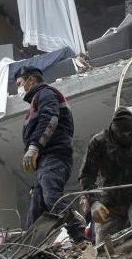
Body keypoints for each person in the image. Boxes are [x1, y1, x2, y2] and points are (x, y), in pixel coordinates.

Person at [15, 66, 82, 241]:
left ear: (31, 80)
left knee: (53, 197)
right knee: (37, 209)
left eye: (19, 83)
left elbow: (50, 118)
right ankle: (29, 247)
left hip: (54, 156)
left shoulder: (45, 94)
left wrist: (34, 146)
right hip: (46, 161)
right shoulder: (37, 100)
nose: (19, 89)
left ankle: (79, 232)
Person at [79, 108, 132, 242]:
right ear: (113, 129)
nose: (126, 137)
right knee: (104, 247)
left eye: (130, 134)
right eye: (122, 134)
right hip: (110, 201)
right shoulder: (98, 143)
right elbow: (87, 175)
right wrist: (94, 201)